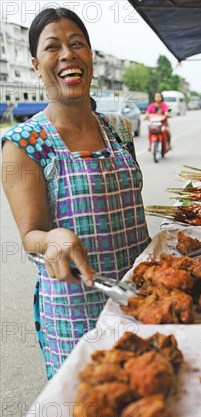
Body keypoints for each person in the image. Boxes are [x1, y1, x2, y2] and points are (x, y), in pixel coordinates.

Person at [1, 8, 150, 379]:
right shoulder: (23, 143)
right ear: (37, 65)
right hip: (76, 315)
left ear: (91, 60)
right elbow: (31, 236)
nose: (68, 53)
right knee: (92, 415)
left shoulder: (118, 129)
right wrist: (53, 238)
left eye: (77, 44)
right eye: (53, 47)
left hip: (140, 299)